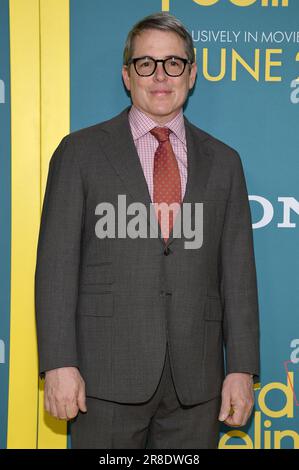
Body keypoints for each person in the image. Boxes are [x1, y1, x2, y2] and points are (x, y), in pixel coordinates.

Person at [35, 12, 260, 449]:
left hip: (197, 385)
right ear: (126, 74)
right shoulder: (80, 152)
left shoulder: (225, 162)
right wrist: (58, 363)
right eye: (146, 63)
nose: (160, 75)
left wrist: (241, 369)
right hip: (102, 381)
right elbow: (57, 267)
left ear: (191, 74)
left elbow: (238, 275)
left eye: (173, 63)